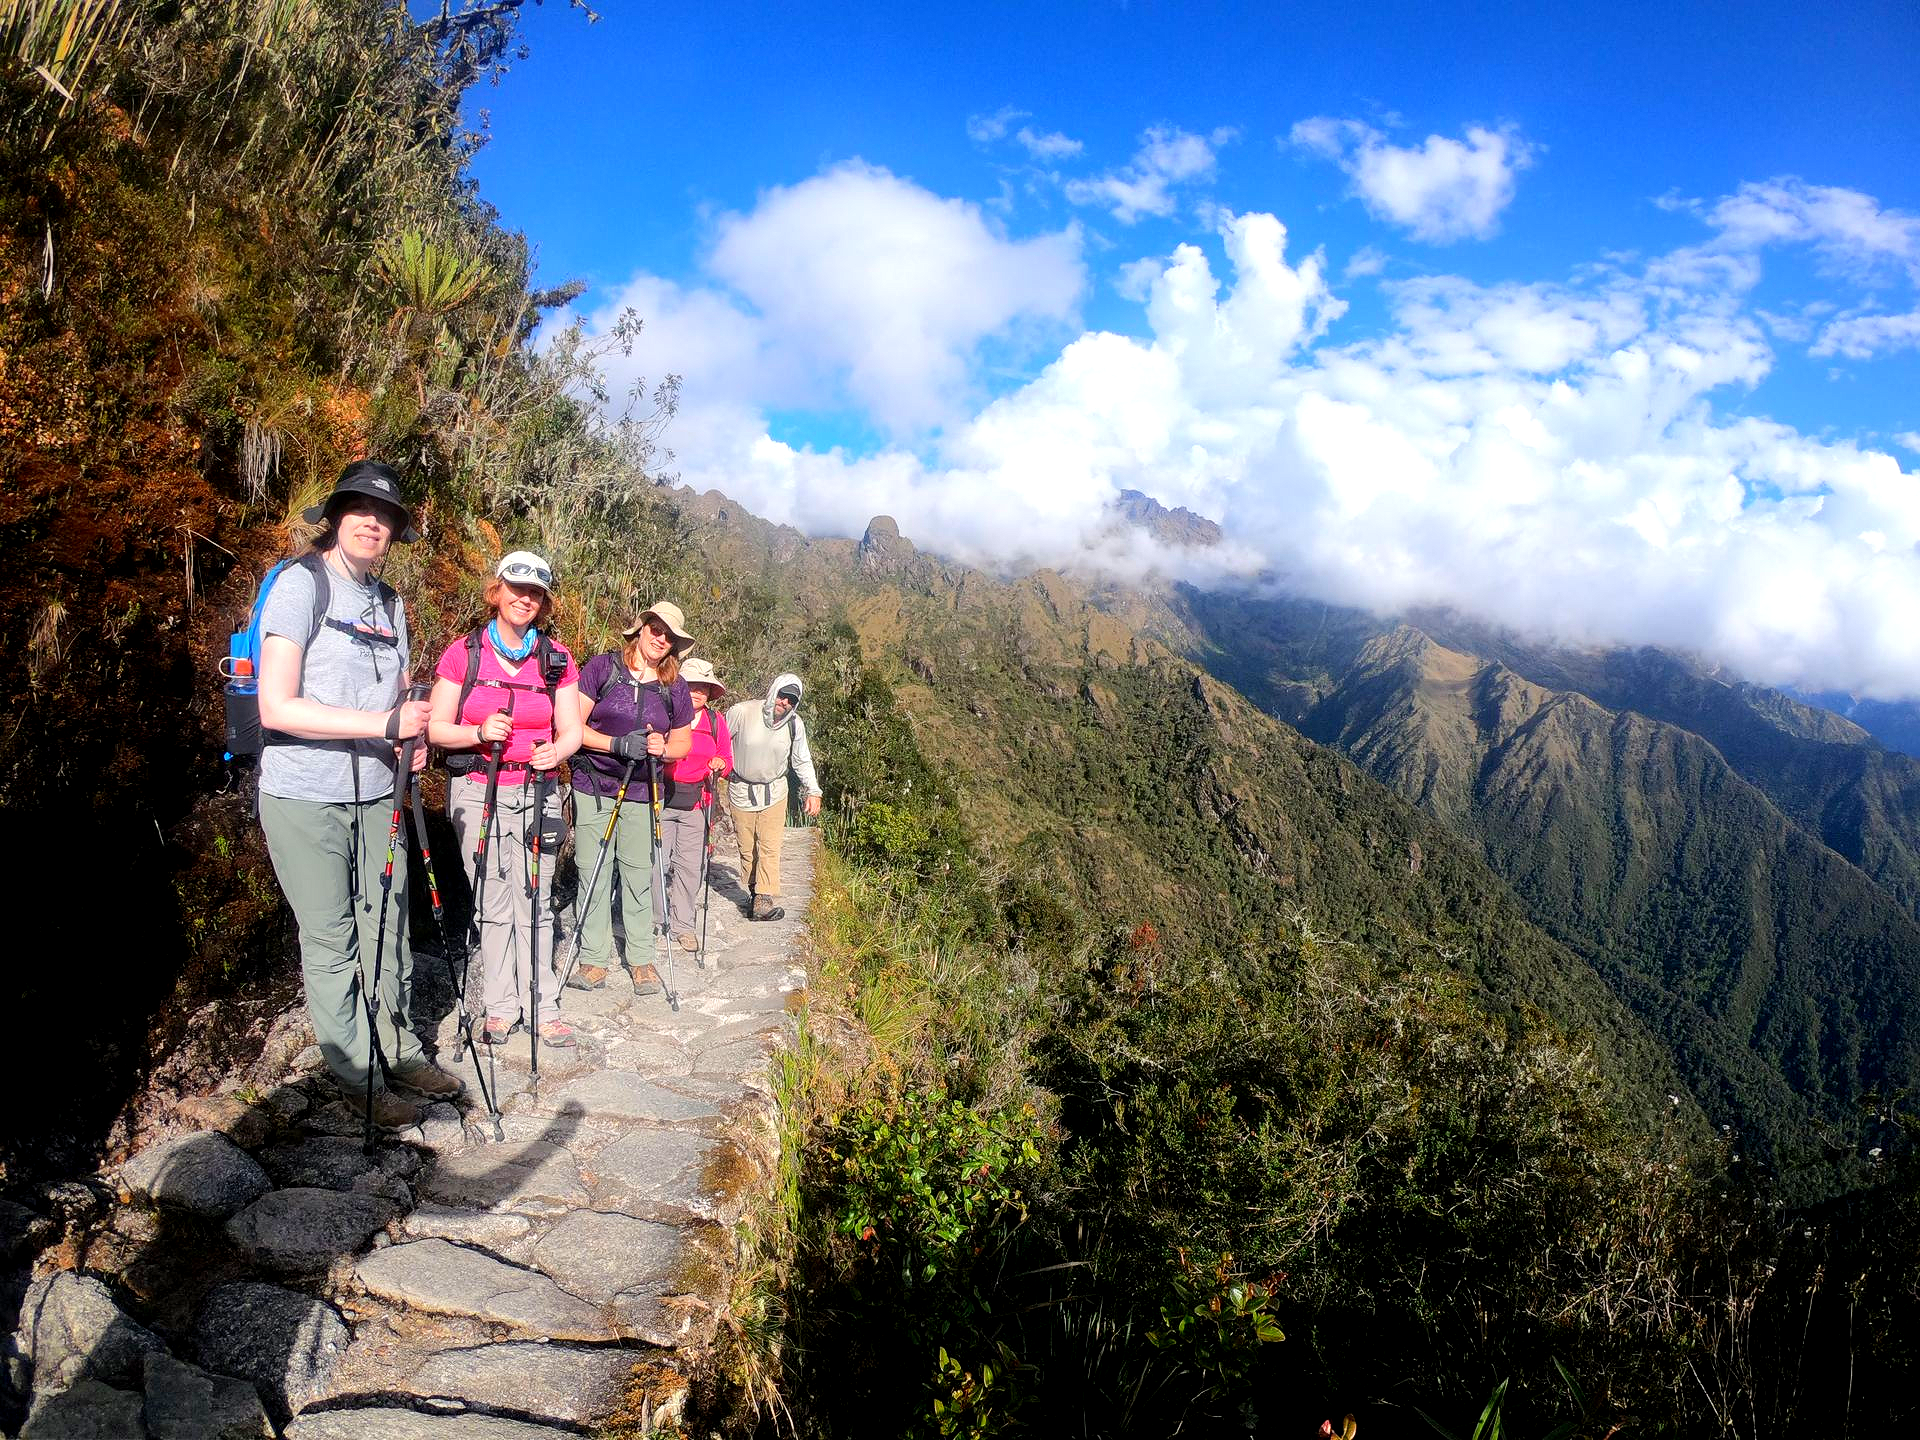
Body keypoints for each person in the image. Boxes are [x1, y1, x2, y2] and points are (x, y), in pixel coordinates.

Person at [256, 460, 461, 1132]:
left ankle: (400, 1050)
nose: (374, 523)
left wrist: (413, 731)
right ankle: (355, 1076)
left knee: (388, 922)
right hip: (302, 795)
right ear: (337, 516)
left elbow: (399, 688)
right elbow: (277, 707)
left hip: (379, 792)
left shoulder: (392, 602)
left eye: (387, 516)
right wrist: (382, 726)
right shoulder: (299, 585)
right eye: (361, 510)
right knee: (333, 936)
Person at [429, 551, 582, 1047]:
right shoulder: (463, 653)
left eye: (535, 592)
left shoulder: (556, 658)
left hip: (538, 791)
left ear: (543, 602)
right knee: (493, 899)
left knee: (537, 897)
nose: (525, 598)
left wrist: (556, 750)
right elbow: (435, 728)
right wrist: (477, 732)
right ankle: (500, 1005)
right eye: (516, 588)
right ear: (496, 590)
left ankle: (543, 1004)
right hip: (479, 789)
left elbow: (573, 731)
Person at [567, 600, 695, 992]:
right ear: (640, 629)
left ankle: (641, 959)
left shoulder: (675, 687)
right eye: (656, 629)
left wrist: (660, 747)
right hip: (594, 785)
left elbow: (684, 743)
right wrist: (615, 744)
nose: (660, 639)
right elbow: (572, 726)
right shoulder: (602, 669)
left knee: (639, 873)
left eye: (669, 636)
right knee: (594, 871)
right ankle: (593, 959)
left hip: (643, 790)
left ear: (674, 645)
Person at [725, 672, 822, 921]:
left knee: (769, 846)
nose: (785, 703)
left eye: (791, 700)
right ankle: (755, 890)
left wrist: (813, 791)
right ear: (773, 692)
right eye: (782, 696)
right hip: (740, 789)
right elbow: (721, 743)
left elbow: (801, 759)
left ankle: (764, 899)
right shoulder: (742, 713)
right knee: (747, 849)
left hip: (775, 791)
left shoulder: (794, 724)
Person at [659, 657, 733, 952]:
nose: (697, 692)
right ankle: (653, 918)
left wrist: (719, 763)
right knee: (656, 863)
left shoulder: (716, 722)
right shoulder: (665, 713)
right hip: (660, 797)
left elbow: (727, 761)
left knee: (690, 867)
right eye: (691, 686)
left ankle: (683, 926)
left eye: (704, 688)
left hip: (697, 801)